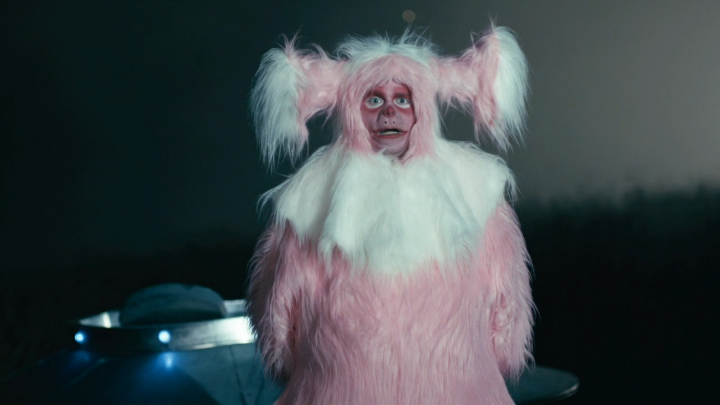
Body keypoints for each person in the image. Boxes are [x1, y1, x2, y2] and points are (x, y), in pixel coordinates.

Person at [248, 24, 534, 405]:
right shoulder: (309, 200)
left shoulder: (476, 191)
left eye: (403, 99)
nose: (389, 112)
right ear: (352, 110)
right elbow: (279, 312)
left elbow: (507, 303)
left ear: (423, 109)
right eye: (373, 99)